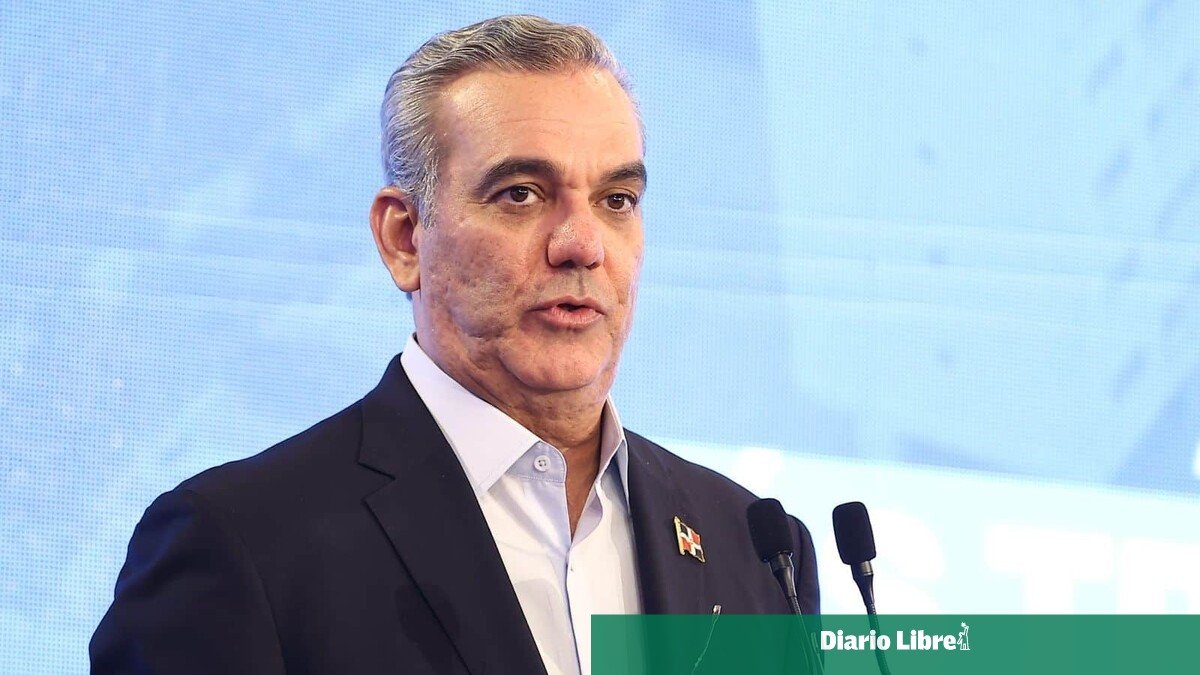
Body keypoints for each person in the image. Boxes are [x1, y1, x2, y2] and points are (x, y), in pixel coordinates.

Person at [90, 15, 818, 675]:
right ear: (404, 238)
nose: (582, 243)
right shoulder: (243, 545)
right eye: (521, 193)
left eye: (616, 200)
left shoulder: (756, 547)